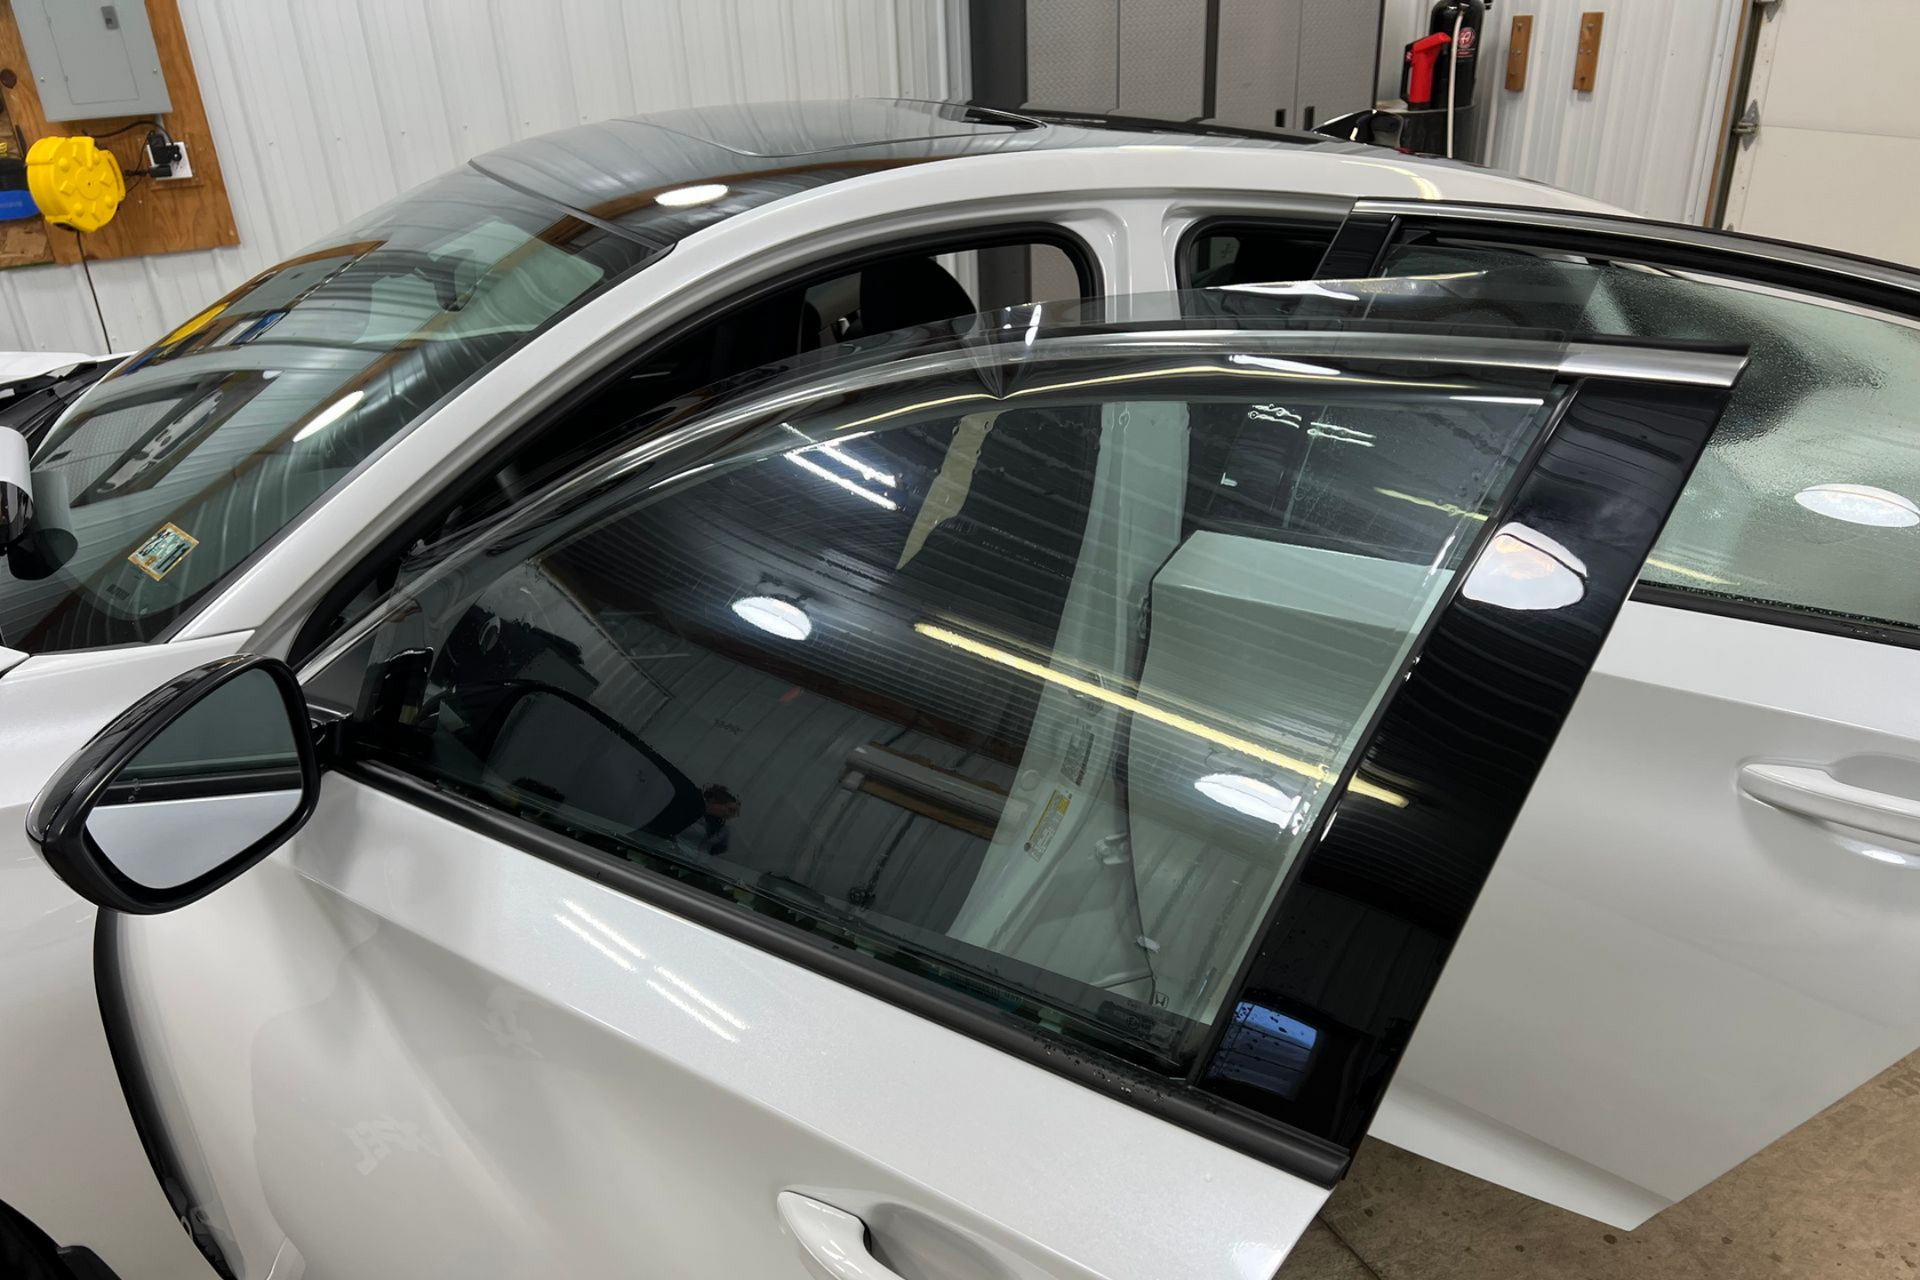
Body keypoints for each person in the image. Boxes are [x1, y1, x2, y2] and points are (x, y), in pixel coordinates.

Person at [676, 784, 740, 857]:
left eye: (734, 812)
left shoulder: (723, 831)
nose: (731, 815)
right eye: (730, 810)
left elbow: (720, 850)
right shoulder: (689, 814)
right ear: (716, 802)